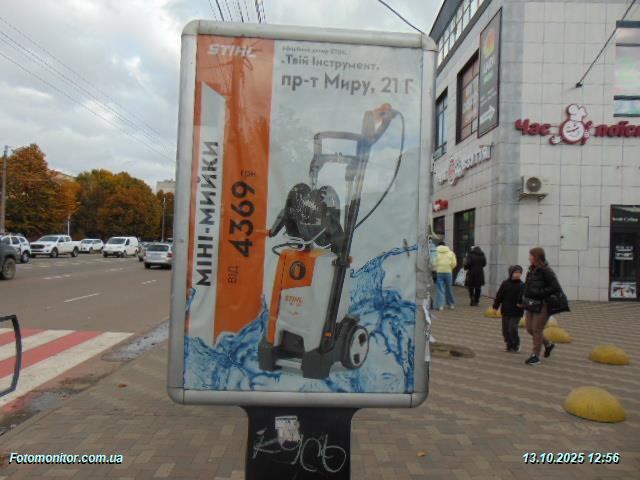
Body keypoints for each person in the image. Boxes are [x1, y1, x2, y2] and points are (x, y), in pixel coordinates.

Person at [521, 247, 562, 366]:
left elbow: (555, 287)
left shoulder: (546, 270)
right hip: (531, 303)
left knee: (536, 329)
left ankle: (535, 356)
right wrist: (522, 300)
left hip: (543, 304)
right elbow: (527, 287)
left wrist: (540, 293)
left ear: (537, 257)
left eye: (531, 255)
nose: (529, 258)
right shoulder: (531, 269)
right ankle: (548, 345)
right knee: (529, 329)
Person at [493, 265, 525, 352]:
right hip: (506, 310)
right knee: (505, 330)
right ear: (511, 273)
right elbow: (499, 296)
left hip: (517, 311)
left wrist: (521, 303)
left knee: (512, 328)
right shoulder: (505, 284)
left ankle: (516, 344)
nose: (518, 274)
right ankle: (509, 345)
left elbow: (523, 297)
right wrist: (495, 307)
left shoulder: (522, 285)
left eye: (519, 272)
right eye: (516, 272)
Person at [434, 241, 457, 310]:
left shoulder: (435, 252)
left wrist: (436, 268)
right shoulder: (451, 253)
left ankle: (440, 305)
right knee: (449, 288)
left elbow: (433, 262)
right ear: (445, 245)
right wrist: (450, 268)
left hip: (439, 272)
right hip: (448, 272)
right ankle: (451, 304)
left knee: (440, 289)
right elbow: (454, 263)